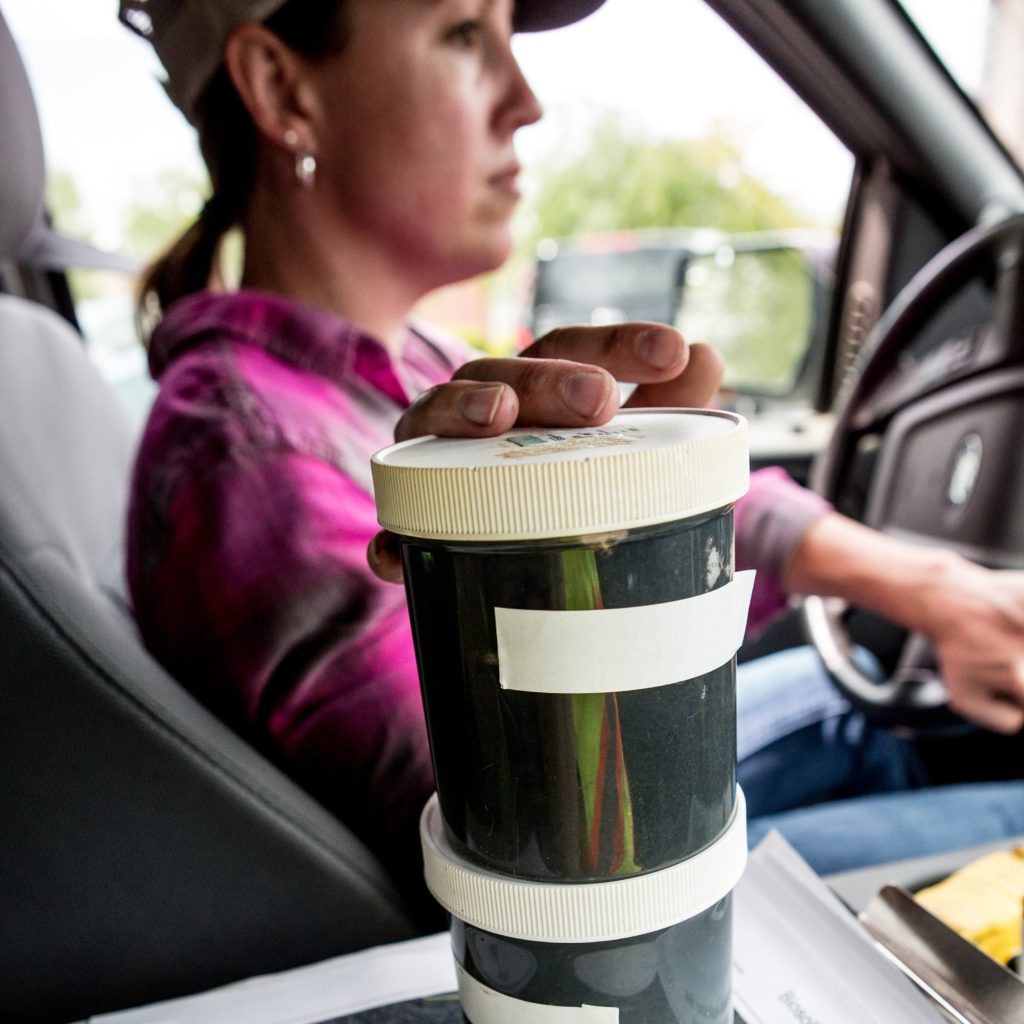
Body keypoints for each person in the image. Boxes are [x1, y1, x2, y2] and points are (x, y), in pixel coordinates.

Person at [120, 0, 1024, 911]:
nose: (526, 101)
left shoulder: (407, 368)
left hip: (610, 801)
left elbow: (689, 515)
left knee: (863, 721)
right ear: (283, 88)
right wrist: (548, 557)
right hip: (586, 883)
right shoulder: (250, 450)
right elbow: (531, 826)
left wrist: (931, 588)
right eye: (465, 35)